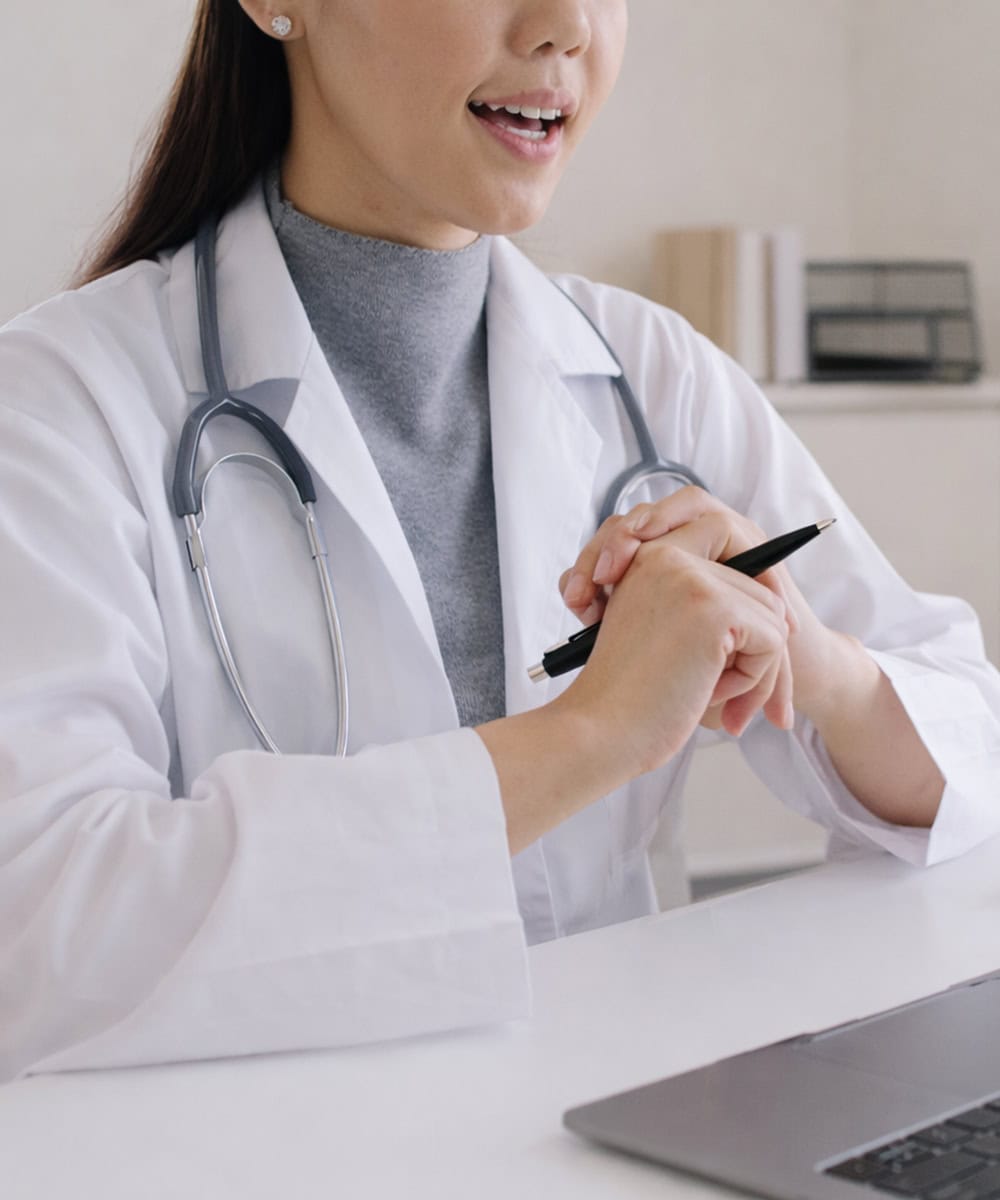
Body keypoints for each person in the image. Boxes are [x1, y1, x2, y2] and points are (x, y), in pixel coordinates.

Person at [1, 0, 998, 1084]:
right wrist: (597, 731)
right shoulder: (59, 406)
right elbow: (43, 930)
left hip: (617, 1130)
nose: (567, 26)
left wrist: (809, 652)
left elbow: (970, 759)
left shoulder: (653, 373)